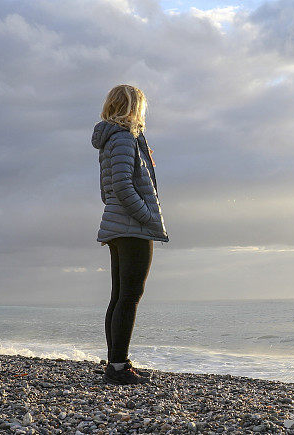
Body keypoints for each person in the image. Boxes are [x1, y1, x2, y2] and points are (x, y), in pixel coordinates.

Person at [91, 84, 169, 385]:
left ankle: (116, 363)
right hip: (130, 227)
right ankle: (119, 368)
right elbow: (123, 186)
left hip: (117, 225)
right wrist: (146, 217)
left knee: (119, 296)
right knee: (130, 296)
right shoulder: (123, 138)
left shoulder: (113, 139)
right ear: (134, 107)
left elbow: (107, 188)